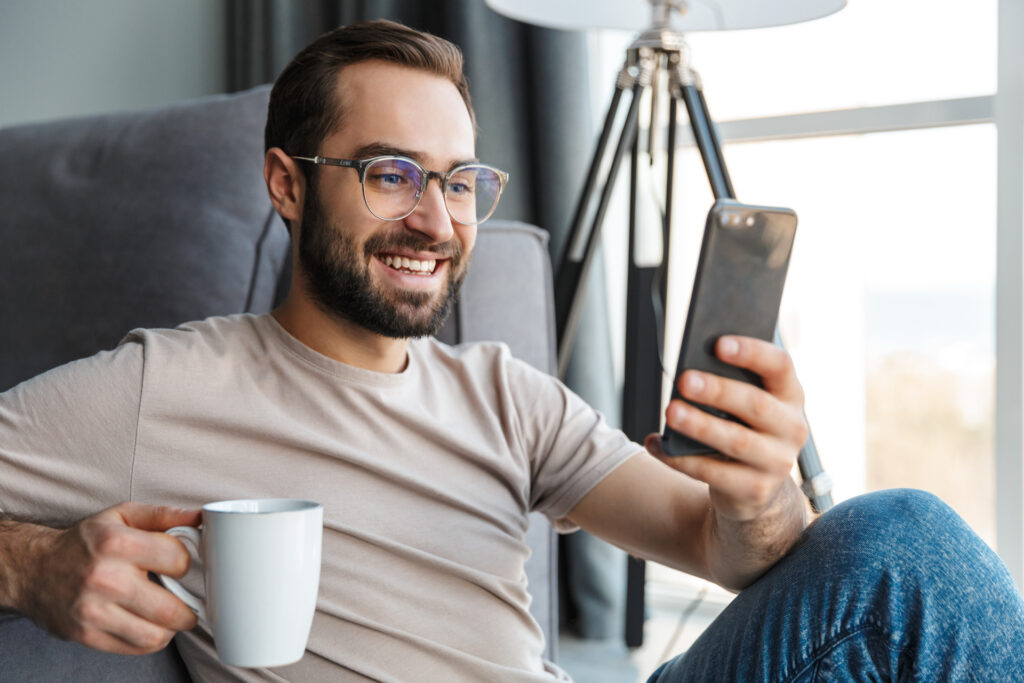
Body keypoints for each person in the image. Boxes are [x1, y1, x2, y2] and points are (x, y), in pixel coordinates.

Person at [0, 18, 1021, 683]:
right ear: (287, 183)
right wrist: (35, 561)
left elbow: (721, 549)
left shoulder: (501, 393)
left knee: (903, 540)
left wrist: (759, 496)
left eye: (457, 183)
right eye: (392, 173)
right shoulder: (168, 385)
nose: (434, 220)